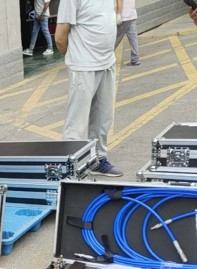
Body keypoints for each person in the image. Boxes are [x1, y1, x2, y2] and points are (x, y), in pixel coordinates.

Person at [56, 0, 123, 176]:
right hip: (83, 66)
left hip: (107, 62)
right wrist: (77, 58)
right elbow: (60, 37)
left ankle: (98, 160)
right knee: (76, 123)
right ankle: (71, 168)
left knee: (103, 118)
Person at [115, 0, 141, 66]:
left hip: (123, 17)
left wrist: (118, 14)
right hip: (132, 15)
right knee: (133, 39)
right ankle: (135, 59)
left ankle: (105, 57)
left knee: (115, 39)